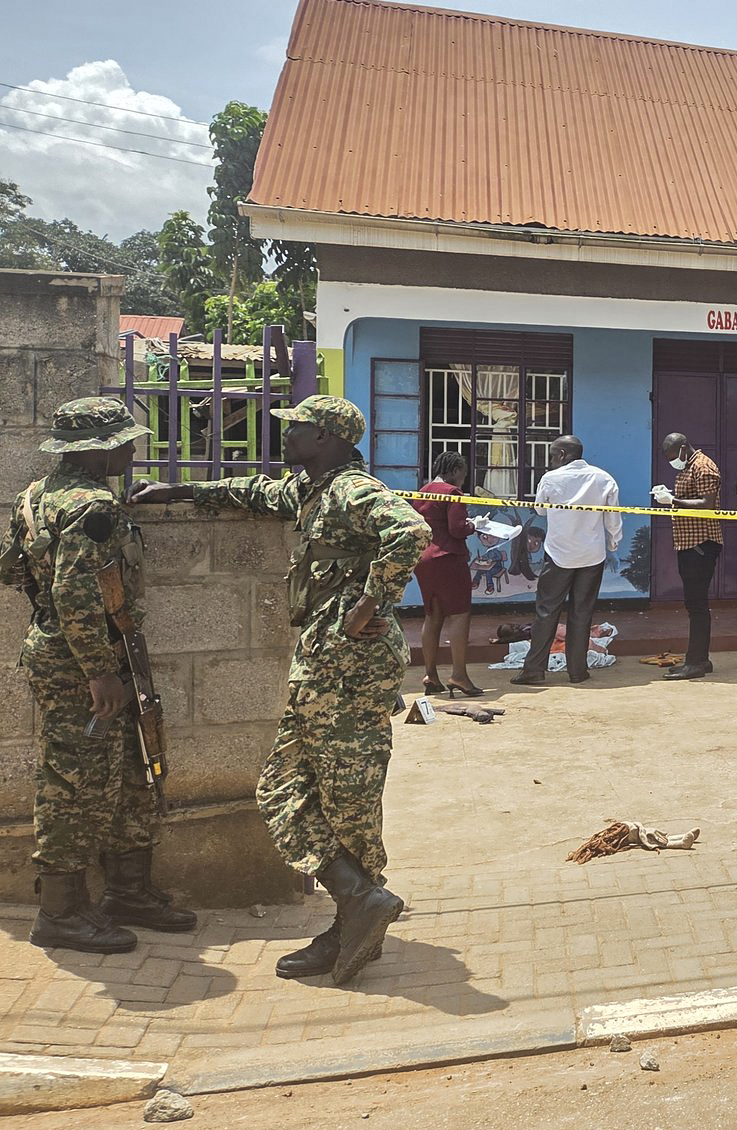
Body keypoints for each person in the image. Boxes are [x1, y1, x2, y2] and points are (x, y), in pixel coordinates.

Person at [129, 395, 429, 986]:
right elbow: (252, 492)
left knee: (349, 802)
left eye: (297, 429)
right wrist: (175, 491)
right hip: (321, 667)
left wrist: (371, 602)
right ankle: (359, 900)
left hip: (352, 668)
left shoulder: (351, 489)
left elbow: (410, 530)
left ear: (327, 438)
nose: (285, 436)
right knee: (281, 789)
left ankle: (353, 919)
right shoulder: (309, 490)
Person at [1, 397, 198, 955]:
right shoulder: (93, 507)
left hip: (94, 654)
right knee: (74, 784)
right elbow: (73, 593)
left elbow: (12, 569)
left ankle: (127, 892)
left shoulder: (36, 496)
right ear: (96, 450)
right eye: (123, 443)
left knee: (133, 768)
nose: (131, 451)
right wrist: (99, 671)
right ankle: (60, 912)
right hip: (86, 666)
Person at [512, 436, 619, 687]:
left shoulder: (551, 479)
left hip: (559, 554)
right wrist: (613, 544)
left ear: (561, 455)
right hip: (592, 555)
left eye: (552, 455)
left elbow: (540, 509)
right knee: (582, 613)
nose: (551, 460)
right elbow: (613, 518)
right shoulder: (604, 478)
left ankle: (534, 669)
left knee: (546, 611)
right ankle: (578, 671)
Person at [410, 452, 484, 698]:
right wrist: (474, 525)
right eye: (462, 474)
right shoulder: (452, 492)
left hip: (425, 559)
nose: (463, 479)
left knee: (433, 615)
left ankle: (431, 675)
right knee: (459, 615)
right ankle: (459, 675)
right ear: (454, 471)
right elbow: (457, 529)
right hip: (448, 558)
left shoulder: (422, 492)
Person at [651, 432, 722, 680]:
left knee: (697, 605)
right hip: (689, 544)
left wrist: (673, 500)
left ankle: (696, 663)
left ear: (683, 448)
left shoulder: (703, 467)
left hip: (700, 544)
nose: (672, 461)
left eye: (673, 456)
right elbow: (691, 497)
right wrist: (670, 495)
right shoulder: (689, 467)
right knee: (694, 604)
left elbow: (706, 504)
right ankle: (700, 659)